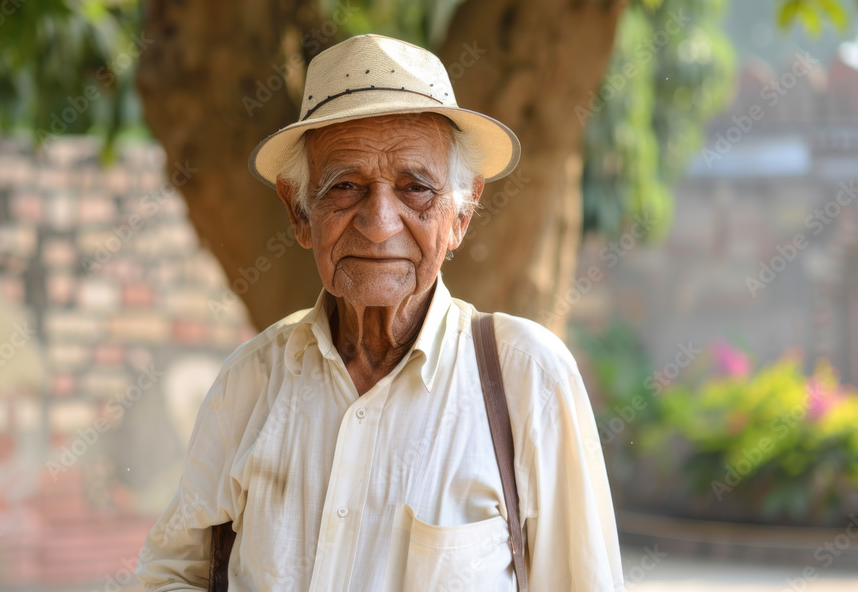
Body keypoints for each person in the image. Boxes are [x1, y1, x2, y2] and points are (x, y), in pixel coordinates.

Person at [135, 34, 625, 591]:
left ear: (461, 214)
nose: (380, 222)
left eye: (416, 187)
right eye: (346, 186)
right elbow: (172, 576)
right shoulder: (252, 382)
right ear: (299, 211)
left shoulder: (526, 380)